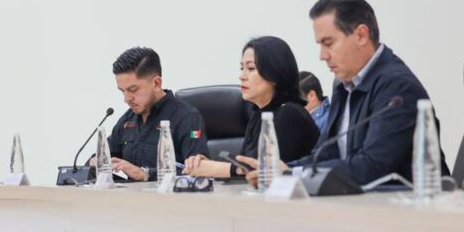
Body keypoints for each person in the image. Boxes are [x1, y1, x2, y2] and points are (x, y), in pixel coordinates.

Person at [242, 0, 447, 187]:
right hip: (357, 202)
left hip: (405, 205)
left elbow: (372, 167)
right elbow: (324, 154)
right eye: (320, 45)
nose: (322, 55)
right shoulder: (343, 85)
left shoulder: (397, 87)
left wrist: (291, 175)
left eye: (328, 43)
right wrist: (284, 170)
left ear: (361, 35)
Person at [184, 37, 319, 179]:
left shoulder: (290, 114)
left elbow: (261, 171)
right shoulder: (258, 114)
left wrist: (212, 168)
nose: (242, 76)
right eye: (242, 68)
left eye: (251, 68)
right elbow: (245, 166)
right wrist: (204, 166)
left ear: (275, 74)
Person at [105, 47, 209, 181]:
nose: (126, 99)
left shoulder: (187, 117)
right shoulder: (127, 120)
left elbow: (199, 170)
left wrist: (145, 174)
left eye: (133, 89)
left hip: (170, 194)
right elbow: (107, 155)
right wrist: (96, 161)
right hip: (129, 194)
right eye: (122, 91)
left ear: (156, 83)